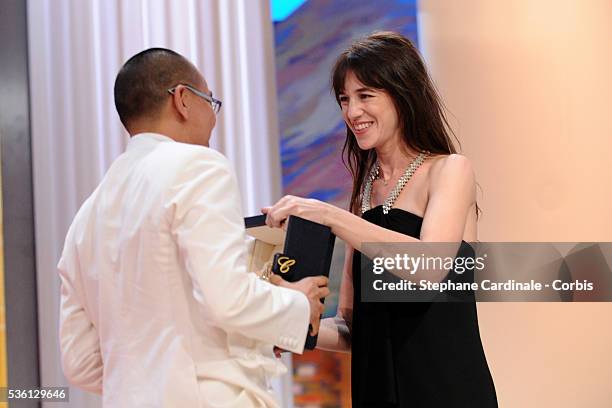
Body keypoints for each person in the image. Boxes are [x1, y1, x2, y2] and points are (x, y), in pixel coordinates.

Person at [58, 48, 329, 408]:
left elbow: (78, 363)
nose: (213, 120)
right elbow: (227, 300)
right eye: (210, 102)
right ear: (183, 99)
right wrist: (298, 304)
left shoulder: (86, 215)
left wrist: (148, 381)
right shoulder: (198, 167)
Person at [264, 32, 498, 407]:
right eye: (344, 99)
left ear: (403, 94)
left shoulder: (449, 171)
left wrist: (327, 215)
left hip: (446, 391)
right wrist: (289, 327)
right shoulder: (363, 196)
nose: (352, 112)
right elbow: (354, 328)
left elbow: (428, 269)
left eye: (365, 95)